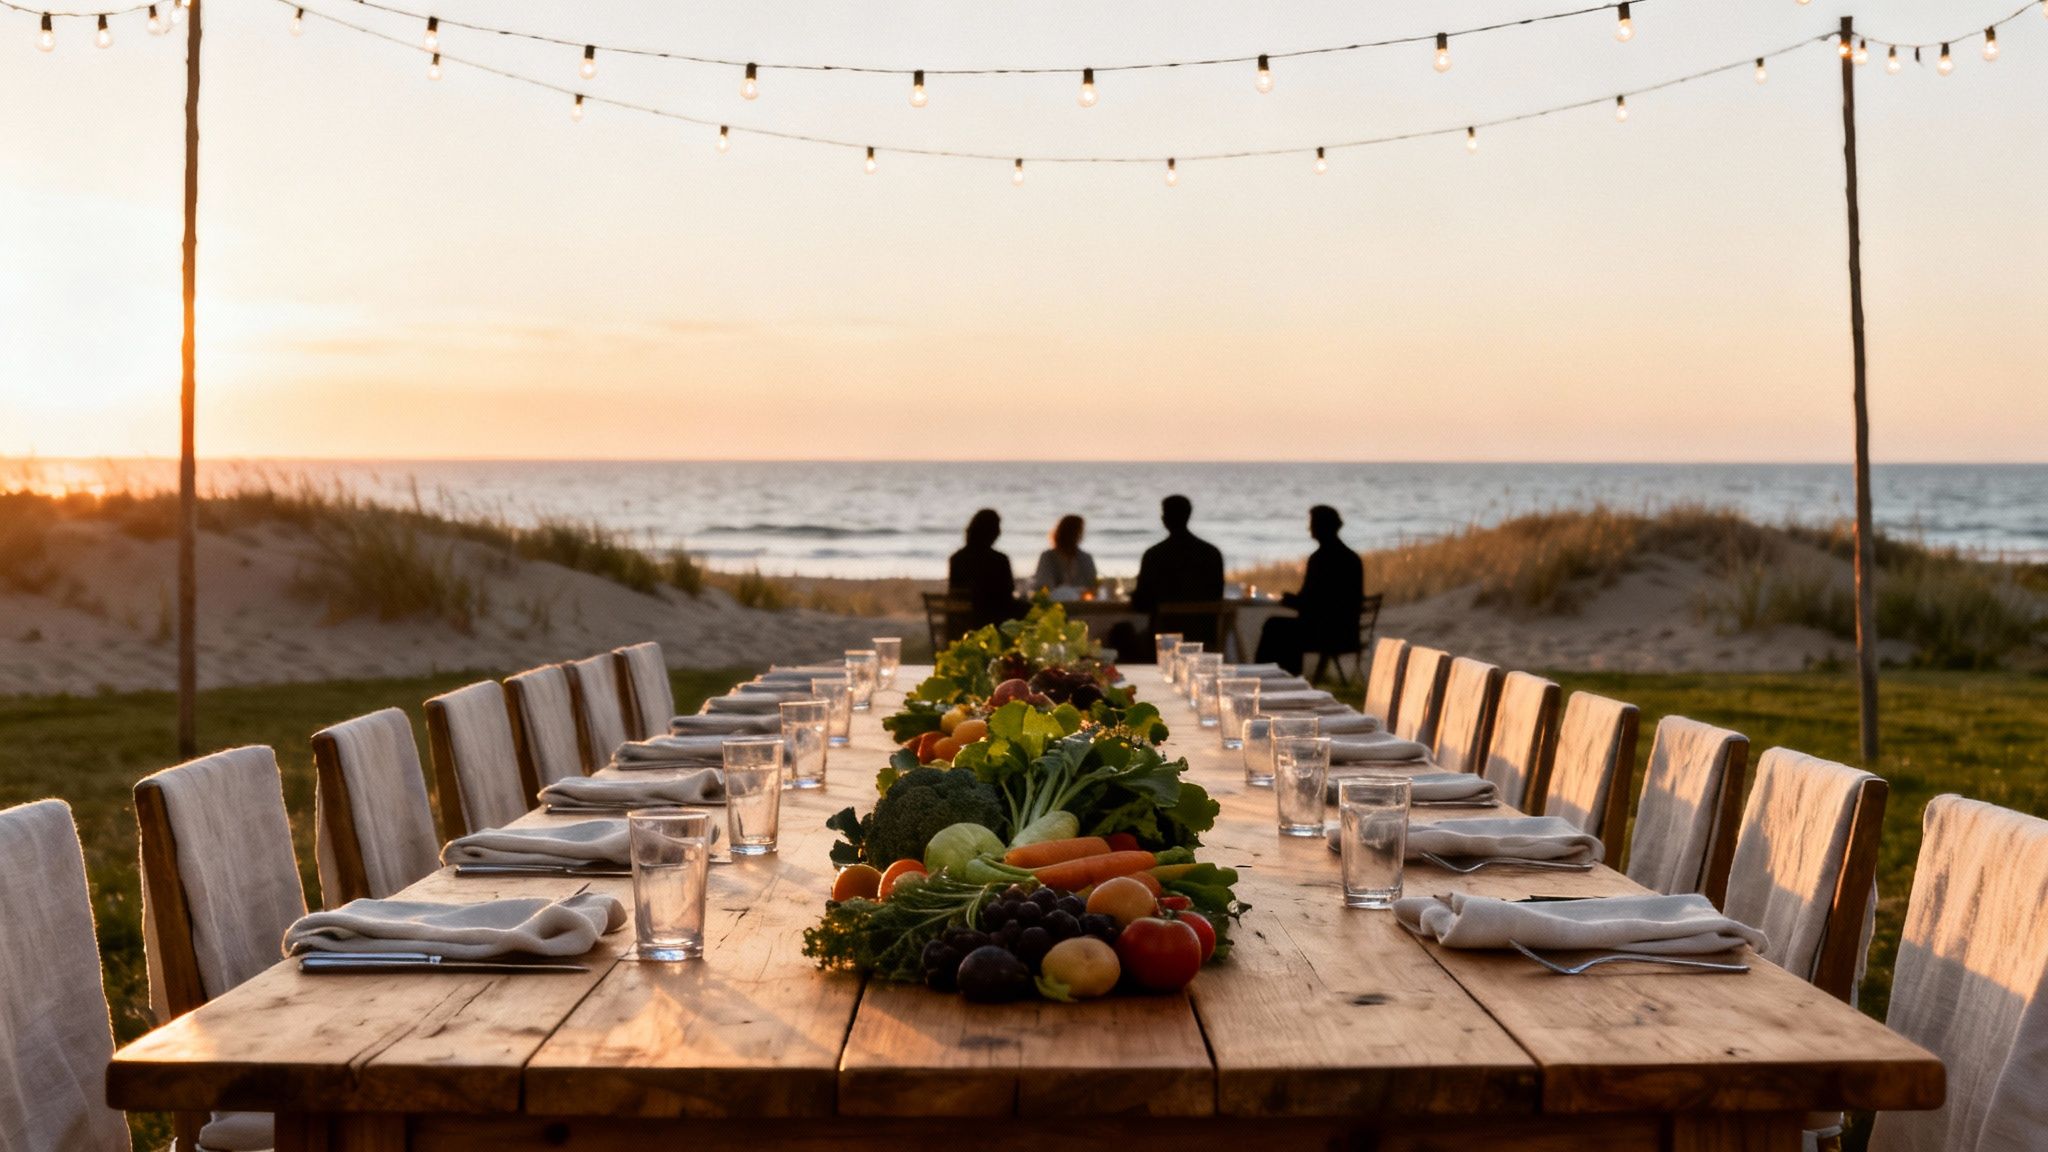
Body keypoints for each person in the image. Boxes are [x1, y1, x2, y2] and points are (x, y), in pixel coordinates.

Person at [1255, 504, 1365, 676]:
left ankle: (1268, 675)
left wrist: (1288, 599)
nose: (1309, 528)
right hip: (1347, 632)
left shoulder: (1320, 559)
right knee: (1281, 628)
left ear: (1322, 527)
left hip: (1326, 633)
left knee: (1274, 626)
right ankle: (1283, 676)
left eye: (1312, 524)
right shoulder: (1352, 558)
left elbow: (1311, 604)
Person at [1117, 494, 1226, 661]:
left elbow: (1141, 604)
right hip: (1205, 639)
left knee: (1121, 632)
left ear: (1164, 519)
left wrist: (1131, 594)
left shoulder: (1155, 555)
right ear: (1189, 516)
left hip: (1164, 641)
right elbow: (1217, 595)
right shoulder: (1212, 554)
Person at [946, 508, 1019, 636]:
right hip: (993, 623)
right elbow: (1007, 595)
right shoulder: (1000, 560)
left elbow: (956, 592)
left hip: (960, 626)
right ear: (993, 532)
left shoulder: (957, 558)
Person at [1031, 515, 1099, 595]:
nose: (1078, 535)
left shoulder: (1086, 558)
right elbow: (1043, 585)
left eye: (1079, 532)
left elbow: (1092, 586)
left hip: (1081, 603)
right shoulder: (1048, 556)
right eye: (1076, 532)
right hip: (1055, 602)